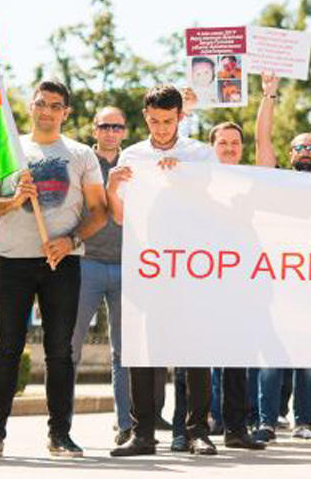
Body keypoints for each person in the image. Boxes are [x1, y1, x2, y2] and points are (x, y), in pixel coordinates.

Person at [0, 80, 110, 458]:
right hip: (12, 260)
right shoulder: (9, 153)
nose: (47, 111)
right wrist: (14, 201)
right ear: (31, 107)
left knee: (60, 352)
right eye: (41, 103)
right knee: (8, 349)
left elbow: (99, 212)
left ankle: (59, 435)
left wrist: (70, 241)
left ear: (66, 112)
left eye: (55, 105)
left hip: (61, 262)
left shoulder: (81, 155)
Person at [108, 85, 220, 457]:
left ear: (181, 117)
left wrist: (184, 178)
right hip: (148, 265)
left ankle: (196, 432)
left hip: (190, 265)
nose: (160, 128)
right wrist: (112, 187)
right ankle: (142, 434)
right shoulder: (132, 155)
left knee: (196, 349)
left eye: (168, 121)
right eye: (154, 121)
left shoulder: (200, 155)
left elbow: (216, 203)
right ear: (144, 116)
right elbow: (121, 216)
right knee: (144, 350)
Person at [252, 71, 311, 442]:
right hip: (272, 282)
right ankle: (266, 421)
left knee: (307, 361)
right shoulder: (273, 180)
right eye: (299, 148)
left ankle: (304, 423)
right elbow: (262, 139)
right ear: (290, 154)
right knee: (270, 359)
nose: (305, 152)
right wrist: (269, 96)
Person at [69, 106, 133, 446]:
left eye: (117, 126)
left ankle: (126, 423)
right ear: (94, 129)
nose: (110, 131)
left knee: (124, 351)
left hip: (127, 266)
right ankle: (61, 426)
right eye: (104, 126)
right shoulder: (80, 161)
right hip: (86, 263)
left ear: (124, 131)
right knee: (70, 347)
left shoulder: (135, 165)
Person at [204, 122, 267, 451]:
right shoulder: (201, 181)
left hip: (242, 281)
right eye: (222, 142)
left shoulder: (252, 180)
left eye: (235, 143)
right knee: (199, 357)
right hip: (204, 280)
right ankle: (195, 428)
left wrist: (268, 96)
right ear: (211, 146)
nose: (229, 148)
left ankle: (236, 429)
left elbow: (266, 146)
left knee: (237, 357)